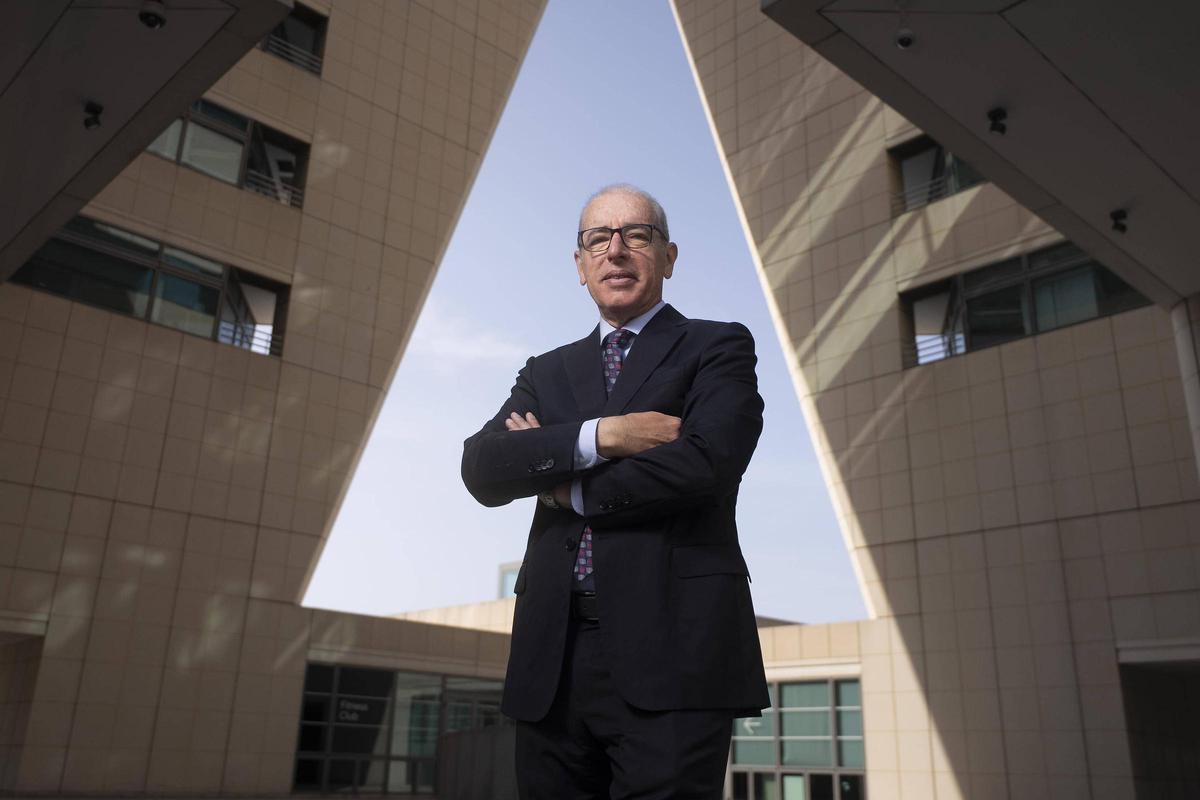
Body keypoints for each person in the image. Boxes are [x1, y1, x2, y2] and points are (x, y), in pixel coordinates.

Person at [461, 184, 768, 798]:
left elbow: (705, 463)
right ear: (580, 265)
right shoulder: (545, 371)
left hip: (674, 654)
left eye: (636, 234)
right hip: (552, 659)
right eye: (598, 238)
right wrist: (607, 435)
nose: (616, 250)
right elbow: (485, 467)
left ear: (669, 255)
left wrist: (558, 482)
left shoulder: (717, 346)